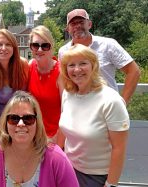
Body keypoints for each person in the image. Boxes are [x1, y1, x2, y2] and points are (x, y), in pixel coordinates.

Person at [59, 44, 129, 187]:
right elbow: (63, 129)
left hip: (96, 177)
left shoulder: (110, 100)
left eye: (83, 63)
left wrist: (110, 184)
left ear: (94, 66)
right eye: (71, 65)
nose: (77, 69)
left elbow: (119, 148)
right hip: (68, 169)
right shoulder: (68, 94)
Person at [0, 91, 79, 187]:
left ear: (37, 123)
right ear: (6, 123)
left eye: (28, 119)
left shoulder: (57, 159)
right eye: (14, 118)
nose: (20, 124)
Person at [58, 8, 140, 105]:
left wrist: (122, 103)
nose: (78, 26)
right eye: (73, 24)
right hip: (79, 108)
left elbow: (134, 71)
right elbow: (64, 80)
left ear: (89, 24)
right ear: (68, 29)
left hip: (107, 108)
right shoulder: (63, 51)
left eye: (81, 22)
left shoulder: (108, 45)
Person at [0, 29, 29, 137]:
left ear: (14, 48)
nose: (3, 48)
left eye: (8, 44)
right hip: (3, 125)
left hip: (24, 123)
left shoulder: (23, 65)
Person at [28, 25, 64, 140]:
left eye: (45, 46)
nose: (39, 50)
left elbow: (67, 111)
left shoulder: (60, 72)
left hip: (54, 137)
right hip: (33, 136)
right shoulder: (30, 66)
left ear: (51, 47)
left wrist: (57, 142)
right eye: (35, 45)